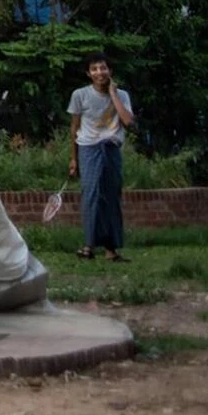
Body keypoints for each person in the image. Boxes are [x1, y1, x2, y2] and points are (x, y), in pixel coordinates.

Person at [68, 53, 136, 262]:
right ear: (89, 73)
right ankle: (88, 246)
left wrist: (113, 94)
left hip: (111, 148)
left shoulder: (122, 95)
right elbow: (74, 128)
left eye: (103, 68)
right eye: (95, 69)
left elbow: (128, 121)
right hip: (88, 148)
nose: (100, 72)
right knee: (91, 195)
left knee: (111, 197)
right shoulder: (80, 95)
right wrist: (73, 158)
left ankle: (111, 250)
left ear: (110, 71)